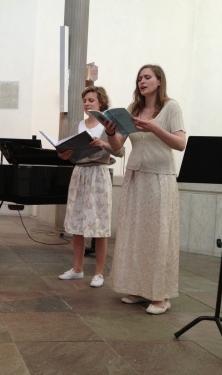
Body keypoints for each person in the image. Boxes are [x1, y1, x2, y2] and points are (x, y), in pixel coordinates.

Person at [106, 64, 186, 314]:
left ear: (159, 80)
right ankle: (139, 289)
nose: (142, 81)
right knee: (135, 235)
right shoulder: (133, 110)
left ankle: (161, 296)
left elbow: (181, 143)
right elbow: (118, 147)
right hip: (135, 176)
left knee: (159, 236)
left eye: (147, 77)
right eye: (139, 78)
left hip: (159, 178)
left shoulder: (171, 107)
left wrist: (154, 128)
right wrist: (110, 134)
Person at [57, 86, 124, 288]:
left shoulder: (108, 126)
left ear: (101, 103)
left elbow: (119, 152)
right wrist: (65, 155)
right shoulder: (79, 125)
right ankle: (77, 269)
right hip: (80, 172)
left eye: (91, 100)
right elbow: (71, 152)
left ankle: (99, 273)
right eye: (85, 100)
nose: (87, 103)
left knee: (99, 225)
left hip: (98, 173)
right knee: (77, 223)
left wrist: (103, 144)